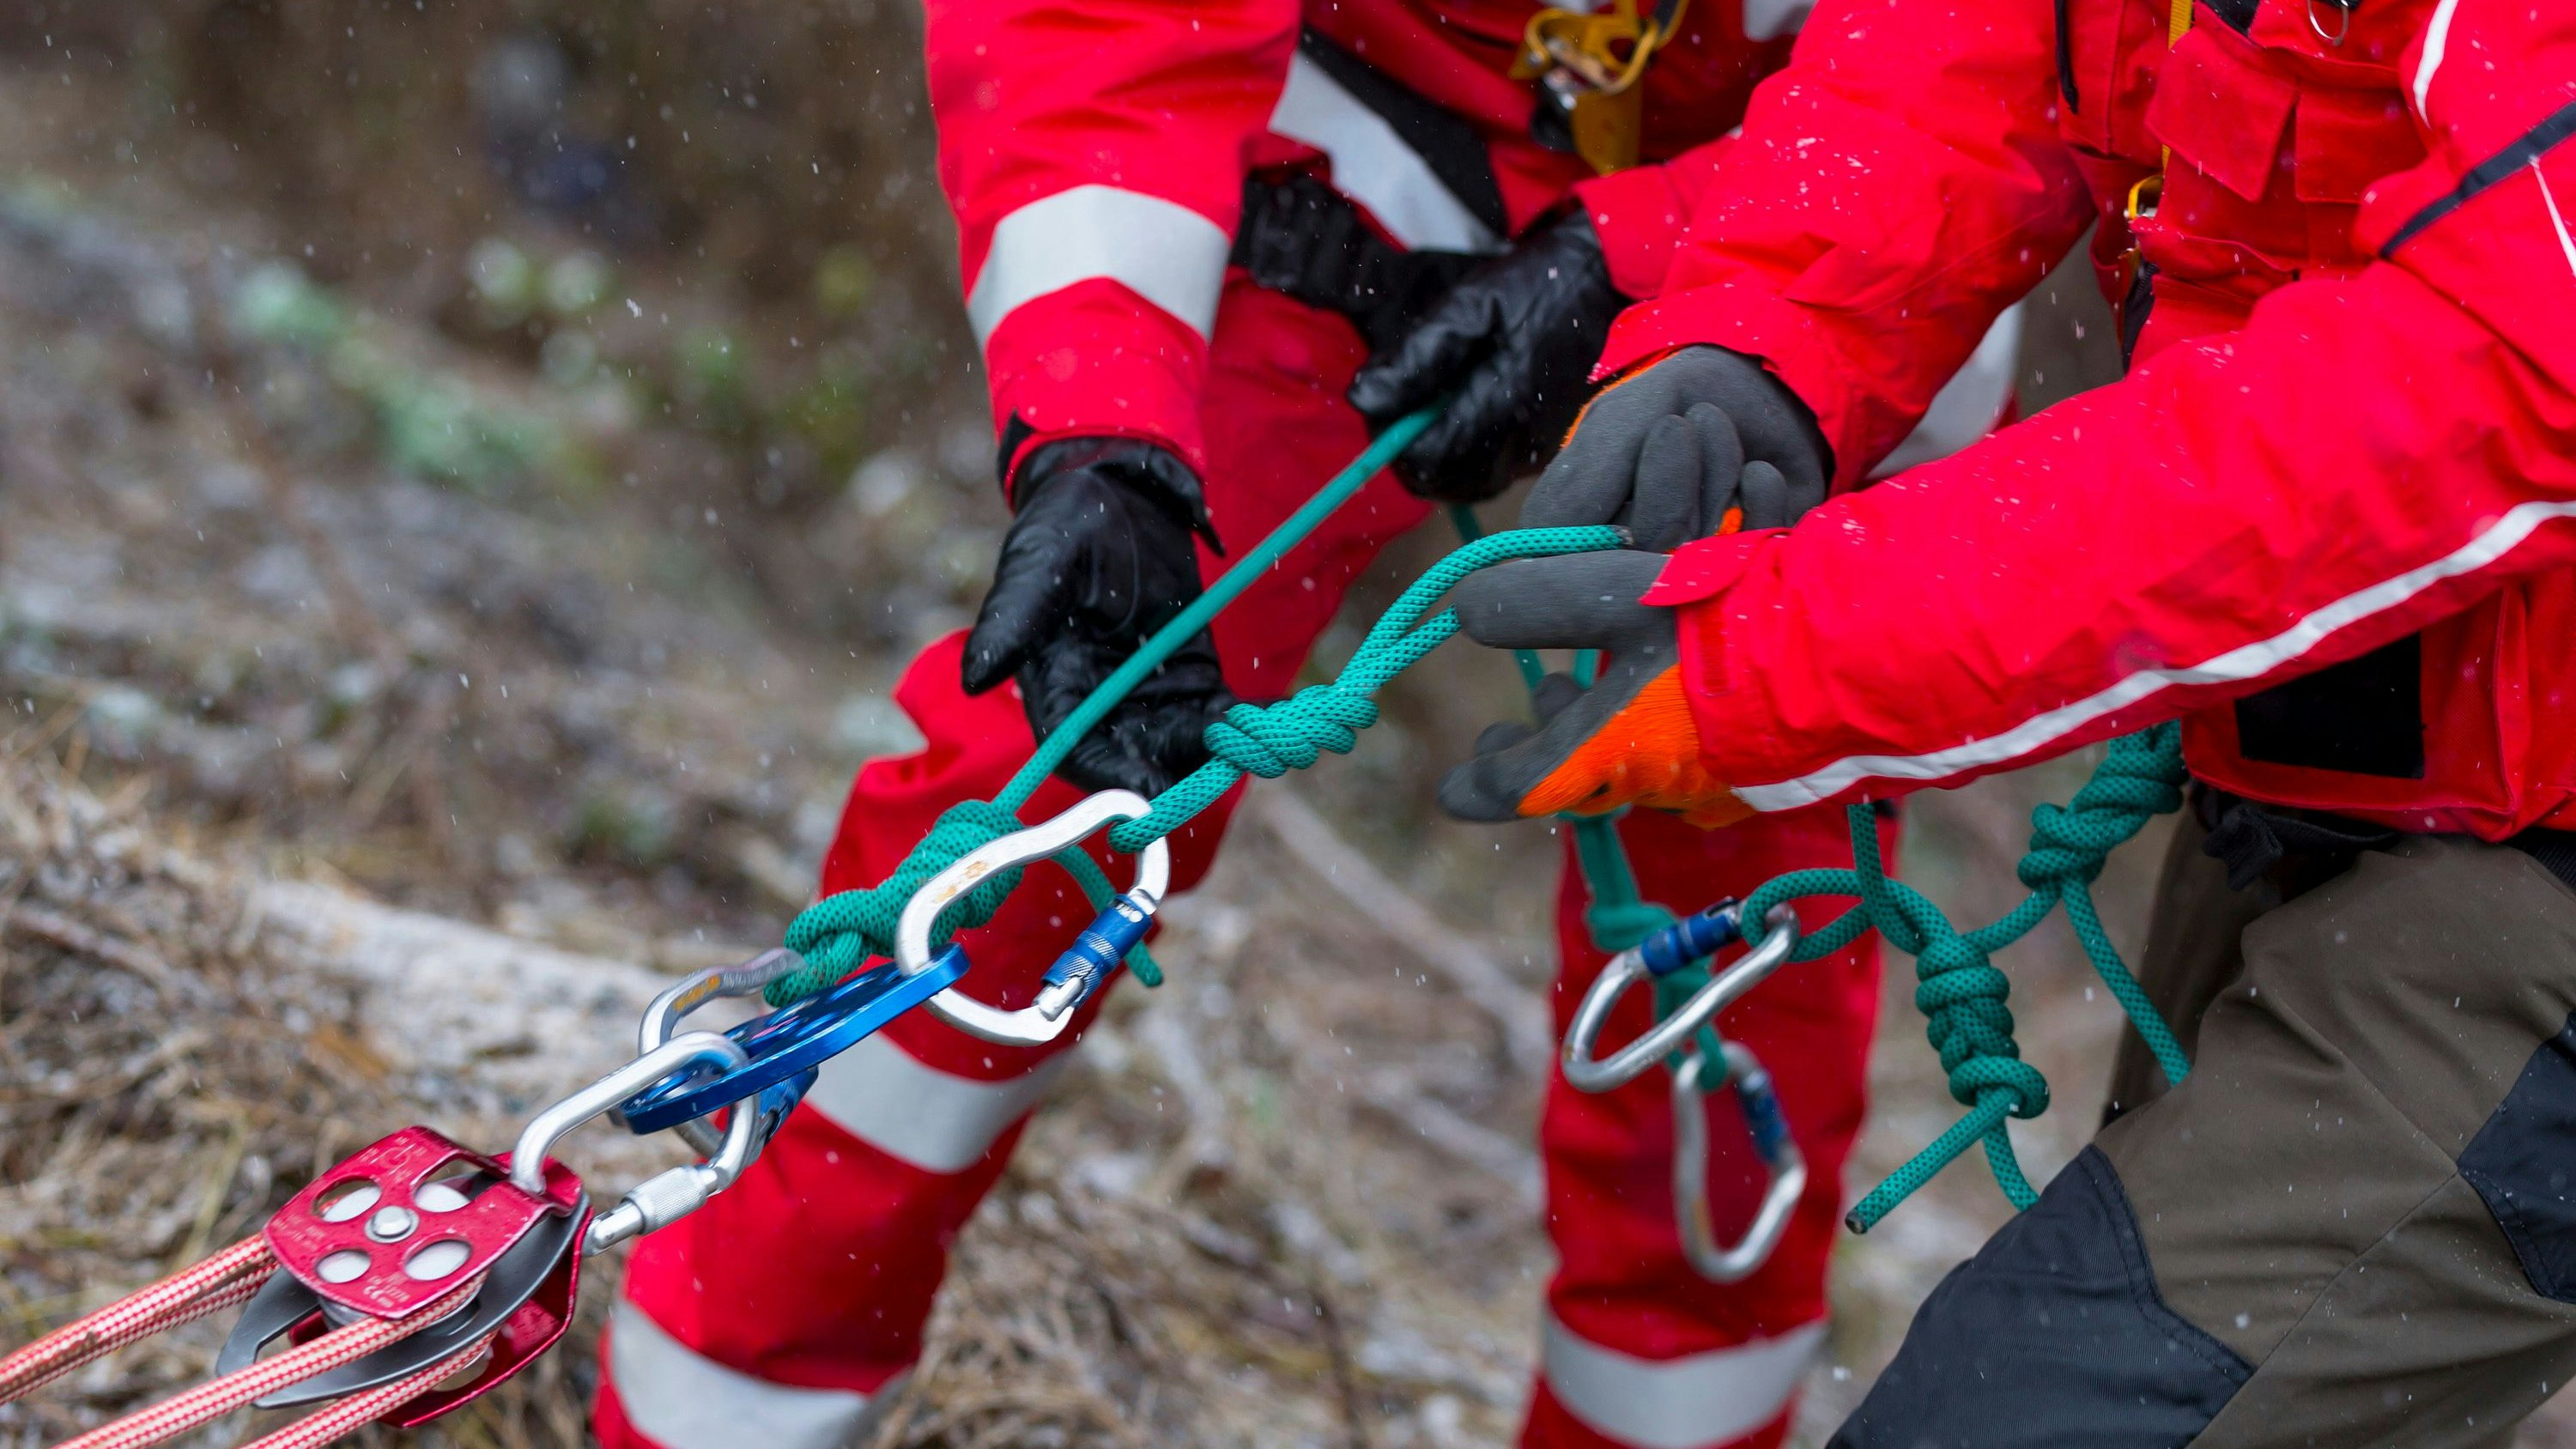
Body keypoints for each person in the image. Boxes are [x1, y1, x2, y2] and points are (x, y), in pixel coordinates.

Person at [590, 3, 2020, 1447]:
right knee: (1041, 807)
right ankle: (714, 1411)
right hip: (1342, 142)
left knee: (1740, 945)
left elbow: (2006, 63)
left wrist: (1658, 249)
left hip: (1838, 229)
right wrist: (1096, 424)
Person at [1435, 0, 2576, 1440]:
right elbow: (1992, 43)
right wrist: (1769, 333)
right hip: (2358, 751)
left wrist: (1784, 660)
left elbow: (2486, 374)